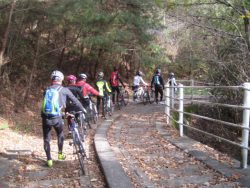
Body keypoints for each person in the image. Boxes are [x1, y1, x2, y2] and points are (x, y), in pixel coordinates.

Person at [41, 70, 85, 168]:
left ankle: (49, 160)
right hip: (57, 117)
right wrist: (83, 109)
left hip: (46, 118)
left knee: (46, 139)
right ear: (61, 79)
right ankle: (60, 154)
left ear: (51, 79)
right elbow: (75, 100)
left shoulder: (46, 89)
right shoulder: (64, 90)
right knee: (60, 134)